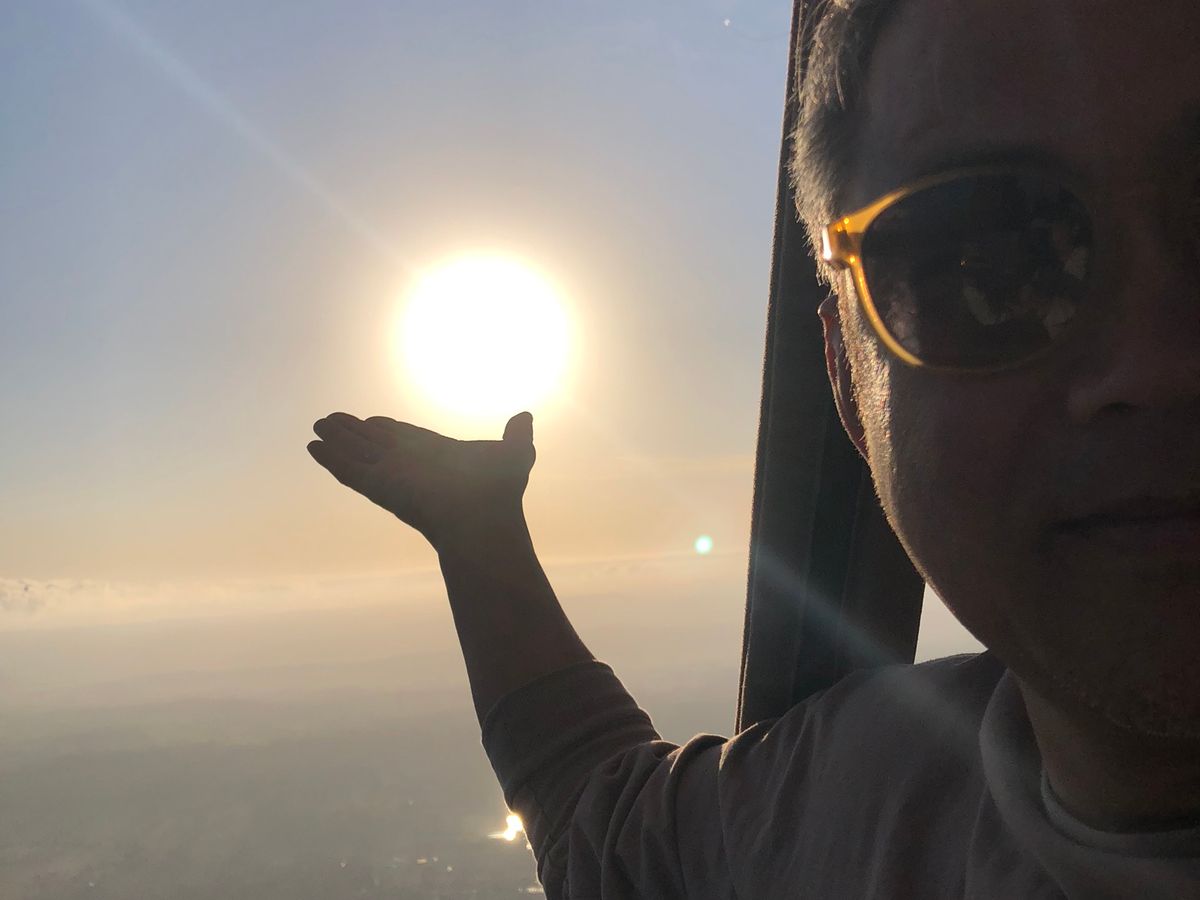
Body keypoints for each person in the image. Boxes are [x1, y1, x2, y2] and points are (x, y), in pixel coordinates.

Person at [307, 0, 1200, 895]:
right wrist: (481, 538)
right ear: (848, 384)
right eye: (984, 269)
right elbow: (610, 835)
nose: (1153, 367)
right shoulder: (864, 793)